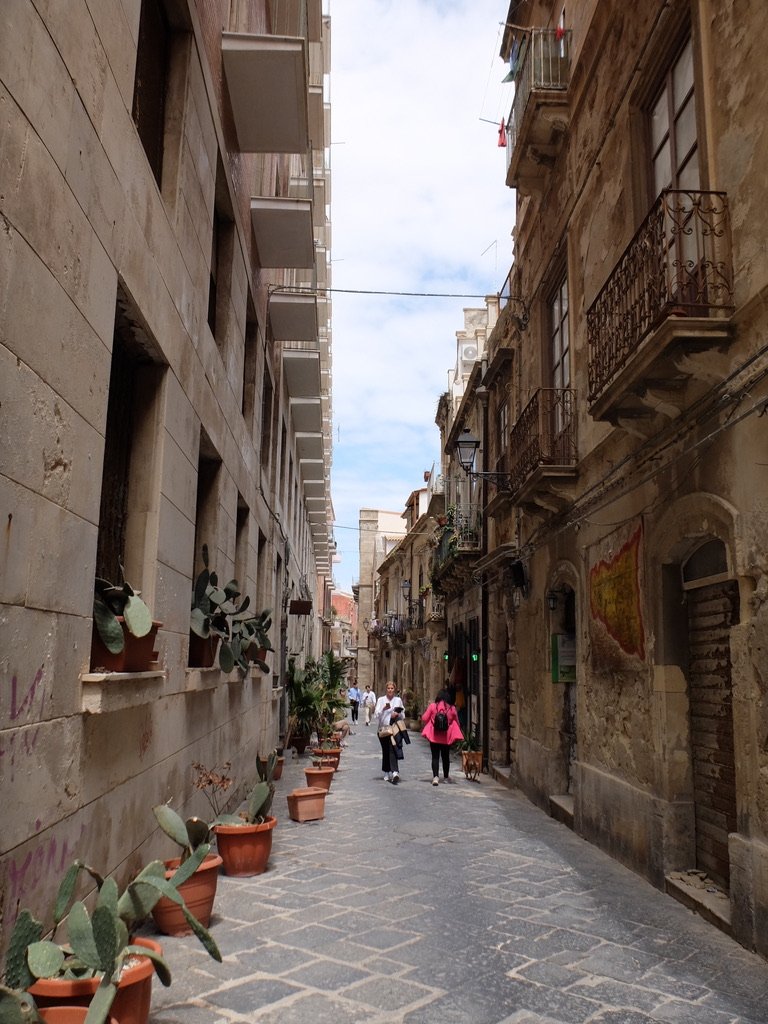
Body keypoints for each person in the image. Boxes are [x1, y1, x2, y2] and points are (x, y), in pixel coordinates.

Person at [421, 687, 463, 785]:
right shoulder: (452, 709)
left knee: (435, 757)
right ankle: (446, 777)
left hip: (434, 736)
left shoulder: (432, 706)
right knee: (445, 757)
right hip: (446, 737)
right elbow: (457, 722)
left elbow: (424, 718)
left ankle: (435, 777)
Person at [374, 680, 404, 784]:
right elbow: (376, 715)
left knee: (393, 749)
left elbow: (403, 715)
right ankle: (386, 771)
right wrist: (384, 709)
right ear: (386, 689)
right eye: (388, 688)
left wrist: (397, 713)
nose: (390, 690)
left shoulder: (398, 700)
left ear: (394, 689)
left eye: (392, 688)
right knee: (386, 750)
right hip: (383, 729)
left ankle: (395, 772)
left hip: (394, 729)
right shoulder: (381, 700)